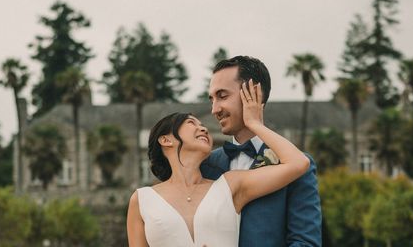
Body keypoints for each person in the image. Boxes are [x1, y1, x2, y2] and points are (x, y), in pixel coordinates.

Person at [127, 81, 310, 247]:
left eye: (202, 125)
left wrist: (255, 124)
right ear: (166, 140)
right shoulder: (142, 200)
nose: (204, 128)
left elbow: (299, 162)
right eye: (191, 123)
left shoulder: (230, 186)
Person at [201, 56, 322, 246]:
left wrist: (254, 124)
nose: (214, 109)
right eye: (212, 99)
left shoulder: (297, 166)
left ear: (253, 93)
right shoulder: (206, 164)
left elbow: (305, 242)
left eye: (222, 96)